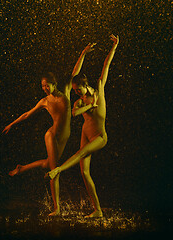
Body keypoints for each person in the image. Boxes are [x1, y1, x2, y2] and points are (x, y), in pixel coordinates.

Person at [2, 44, 96, 216]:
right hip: (52, 135)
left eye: (47, 86)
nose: (45, 89)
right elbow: (27, 114)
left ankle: (22, 168)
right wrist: (12, 124)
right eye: (42, 86)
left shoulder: (66, 91)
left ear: (54, 84)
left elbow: (75, 71)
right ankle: (56, 208)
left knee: (47, 164)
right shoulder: (45, 101)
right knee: (55, 170)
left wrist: (83, 53)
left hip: (64, 137)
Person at [45, 34, 119, 218]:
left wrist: (114, 47)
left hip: (99, 137)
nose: (77, 93)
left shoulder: (99, 90)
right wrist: (83, 53)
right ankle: (98, 210)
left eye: (79, 90)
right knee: (85, 172)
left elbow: (105, 66)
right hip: (85, 134)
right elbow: (74, 112)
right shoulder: (80, 102)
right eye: (75, 91)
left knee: (81, 154)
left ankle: (58, 169)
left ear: (86, 85)